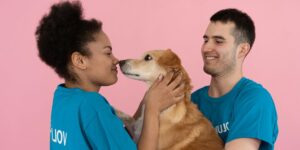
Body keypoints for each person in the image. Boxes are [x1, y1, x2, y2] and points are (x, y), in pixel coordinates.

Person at [35, 1, 184, 150]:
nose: (116, 60)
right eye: (107, 53)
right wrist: (153, 109)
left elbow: (114, 140)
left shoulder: (62, 97)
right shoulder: (92, 104)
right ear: (80, 60)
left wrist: (145, 104)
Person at [191, 8, 278, 150]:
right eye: (206, 40)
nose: (206, 48)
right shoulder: (191, 102)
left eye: (218, 41)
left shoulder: (255, 99)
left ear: (242, 49)